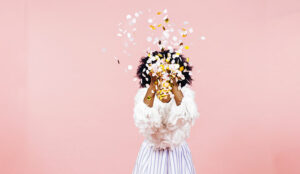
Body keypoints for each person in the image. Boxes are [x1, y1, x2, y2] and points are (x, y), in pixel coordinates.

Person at [132, 50, 200, 174]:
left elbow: (186, 115)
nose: (164, 75)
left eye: (168, 71)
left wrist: (174, 85)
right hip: (152, 153)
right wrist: (153, 85)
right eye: (159, 71)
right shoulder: (146, 95)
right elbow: (144, 120)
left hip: (177, 152)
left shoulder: (183, 95)